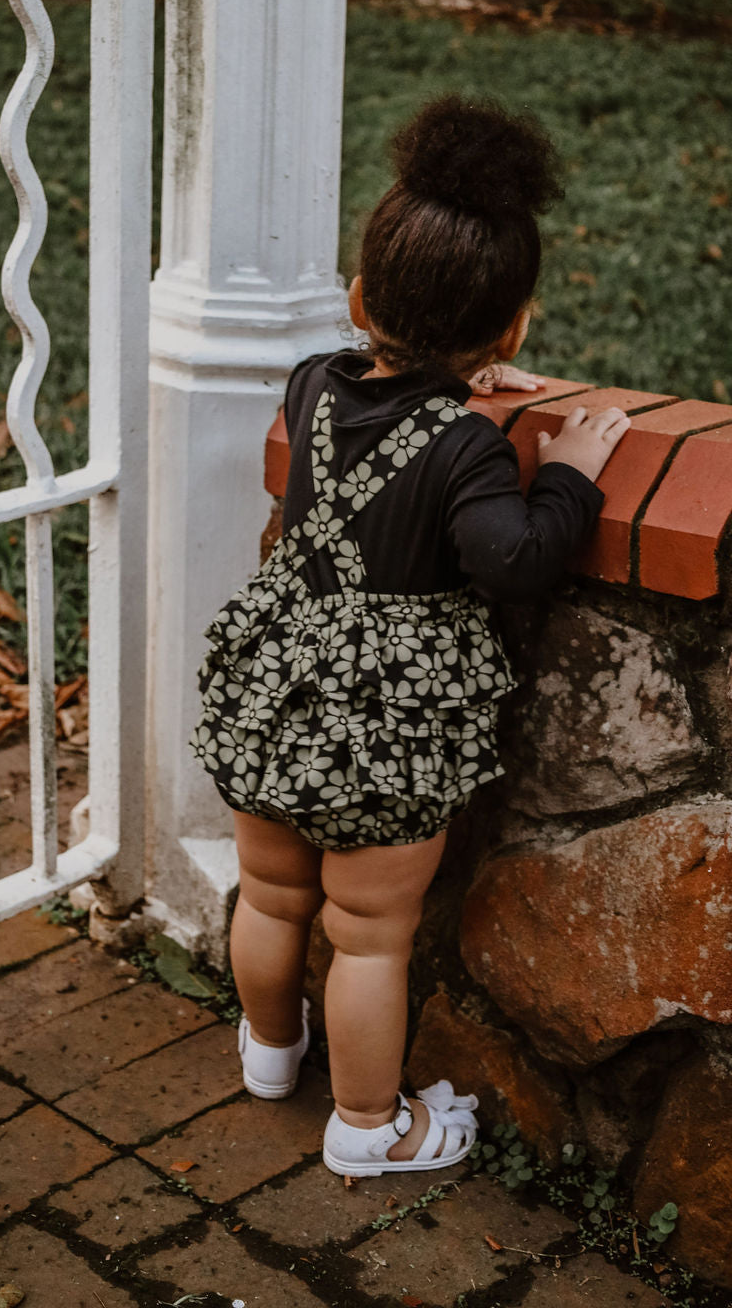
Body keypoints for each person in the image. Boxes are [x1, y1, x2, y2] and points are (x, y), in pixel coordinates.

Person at [189, 95, 630, 1177]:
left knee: (274, 894)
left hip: (274, 689)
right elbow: (515, 558)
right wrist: (567, 468)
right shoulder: (469, 452)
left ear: (355, 298)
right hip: (384, 724)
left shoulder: (313, 385)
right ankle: (368, 1126)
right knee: (368, 933)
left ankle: (267, 1055)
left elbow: (392, 398)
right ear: (513, 327)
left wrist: (454, 376)